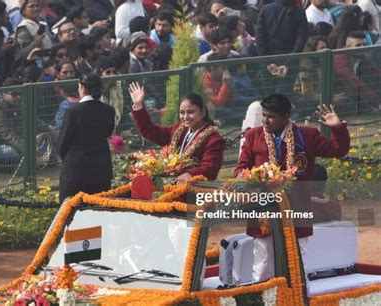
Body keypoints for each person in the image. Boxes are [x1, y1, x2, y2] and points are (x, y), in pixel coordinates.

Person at [234, 94, 350, 282]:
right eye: (263, 115)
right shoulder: (254, 135)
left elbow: (338, 150)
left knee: (297, 263)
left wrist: (337, 127)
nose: (265, 120)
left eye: (270, 116)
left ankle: (298, 299)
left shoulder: (307, 136)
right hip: (263, 211)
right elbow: (241, 167)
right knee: (263, 263)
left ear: (285, 116)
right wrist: (245, 177)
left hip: (296, 210)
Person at [129, 82, 225, 184]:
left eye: (191, 112)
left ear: (203, 112)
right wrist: (139, 105)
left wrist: (190, 174)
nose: (185, 117)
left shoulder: (214, 140)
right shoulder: (178, 130)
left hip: (196, 189)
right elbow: (150, 131)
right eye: (182, 112)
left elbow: (210, 169)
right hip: (171, 185)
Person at [57, 72, 115, 202]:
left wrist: (68, 158)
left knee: (70, 213)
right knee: (99, 210)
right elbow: (108, 133)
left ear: (82, 87)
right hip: (101, 169)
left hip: (75, 170)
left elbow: (62, 143)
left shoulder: (73, 111)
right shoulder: (108, 110)